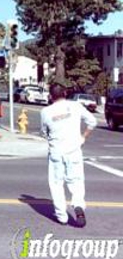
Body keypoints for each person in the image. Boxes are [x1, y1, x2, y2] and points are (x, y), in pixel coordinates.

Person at [40, 83, 96, 227]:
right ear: (65, 93)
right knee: (76, 182)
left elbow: (44, 132)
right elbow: (92, 121)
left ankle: (62, 216)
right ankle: (78, 206)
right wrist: (83, 137)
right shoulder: (75, 106)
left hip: (56, 152)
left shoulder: (45, 112)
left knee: (56, 184)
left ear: (51, 96)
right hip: (74, 150)